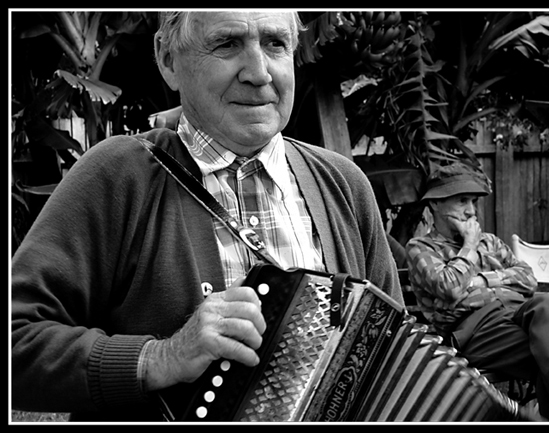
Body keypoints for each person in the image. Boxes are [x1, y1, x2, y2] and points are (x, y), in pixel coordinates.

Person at [11, 11, 402, 422]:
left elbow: (390, 353)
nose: (258, 73)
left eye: (275, 44)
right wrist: (160, 357)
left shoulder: (343, 185)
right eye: (227, 43)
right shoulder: (118, 175)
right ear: (167, 59)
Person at [405, 161, 549, 422]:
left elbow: (528, 279)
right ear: (436, 204)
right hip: (473, 332)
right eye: (462, 201)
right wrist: (470, 248)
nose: (471, 211)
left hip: (517, 316)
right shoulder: (421, 248)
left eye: (473, 201)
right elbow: (450, 287)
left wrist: (480, 282)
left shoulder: (491, 242)